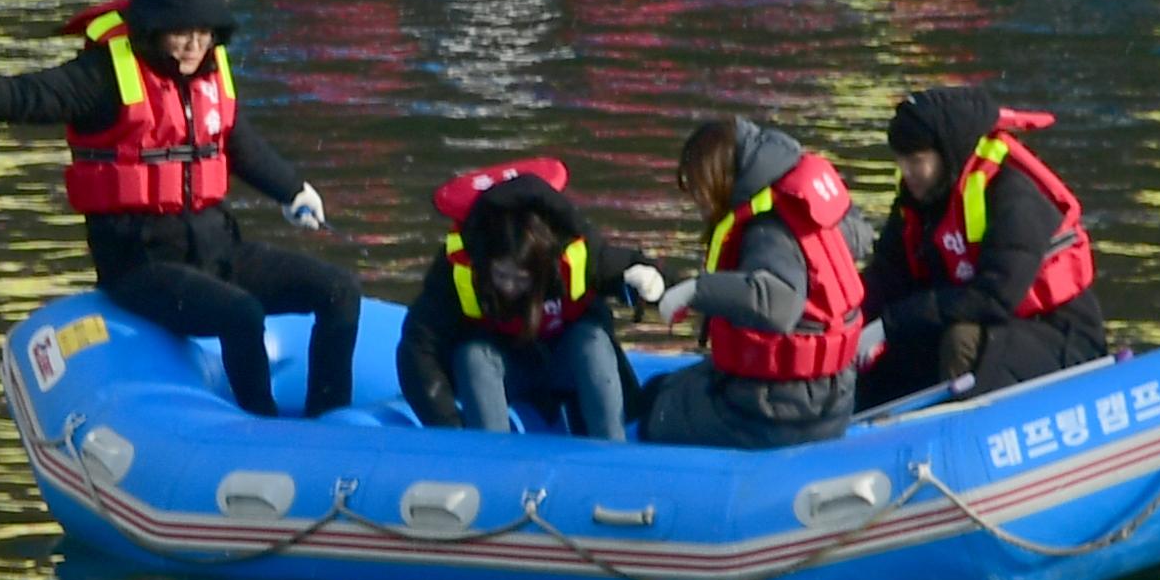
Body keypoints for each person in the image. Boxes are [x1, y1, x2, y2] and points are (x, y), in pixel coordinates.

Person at [0, 0, 364, 420]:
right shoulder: (103, 76)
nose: (194, 46)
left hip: (217, 250)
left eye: (203, 33)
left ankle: (332, 420)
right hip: (141, 263)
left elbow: (238, 143)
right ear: (153, 29)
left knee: (339, 289)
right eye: (180, 34)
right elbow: (23, 97)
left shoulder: (211, 71)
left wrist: (292, 190)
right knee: (242, 314)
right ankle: (259, 426)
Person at [637, 116, 872, 450]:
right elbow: (861, 237)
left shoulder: (768, 228)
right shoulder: (804, 206)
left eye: (698, 190)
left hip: (779, 412)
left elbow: (779, 303)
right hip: (832, 397)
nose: (698, 204)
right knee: (666, 386)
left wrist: (696, 291)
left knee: (656, 412)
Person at [859, 86, 1107, 402]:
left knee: (960, 341)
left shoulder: (1014, 195)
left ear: (947, 152)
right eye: (901, 162)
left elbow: (994, 297)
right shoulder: (920, 198)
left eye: (917, 161)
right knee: (886, 356)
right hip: (978, 319)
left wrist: (892, 323)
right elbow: (887, 274)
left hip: (1057, 334)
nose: (907, 173)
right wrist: (849, 320)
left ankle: (959, 432)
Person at [396, 156, 652, 442]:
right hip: (504, 369)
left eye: (521, 279)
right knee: (473, 356)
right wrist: (447, 424)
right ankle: (490, 451)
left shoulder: (575, 254)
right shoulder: (457, 270)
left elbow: (622, 266)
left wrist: (647, 283)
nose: (509, 286)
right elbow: (418, 348)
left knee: (591, 339)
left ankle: (611, 447)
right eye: (501, 275)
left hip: (565, 363)